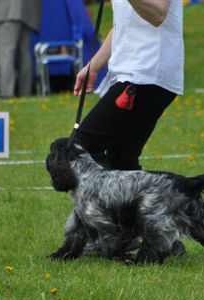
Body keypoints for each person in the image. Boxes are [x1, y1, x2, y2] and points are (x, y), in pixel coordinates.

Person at [73, 0, 184, 171]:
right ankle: (145, 198)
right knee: (122, 161)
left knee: (81, 147)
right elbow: (123, 24)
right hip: (137, 74)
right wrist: (92, 66)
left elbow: (158, 14)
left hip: (146, 74)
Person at [0, 0, 43, 98]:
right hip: (27, 13)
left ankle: (6, 93)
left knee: (6, 53)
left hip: (9, 11)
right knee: (25, 53)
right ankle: (25, 92)